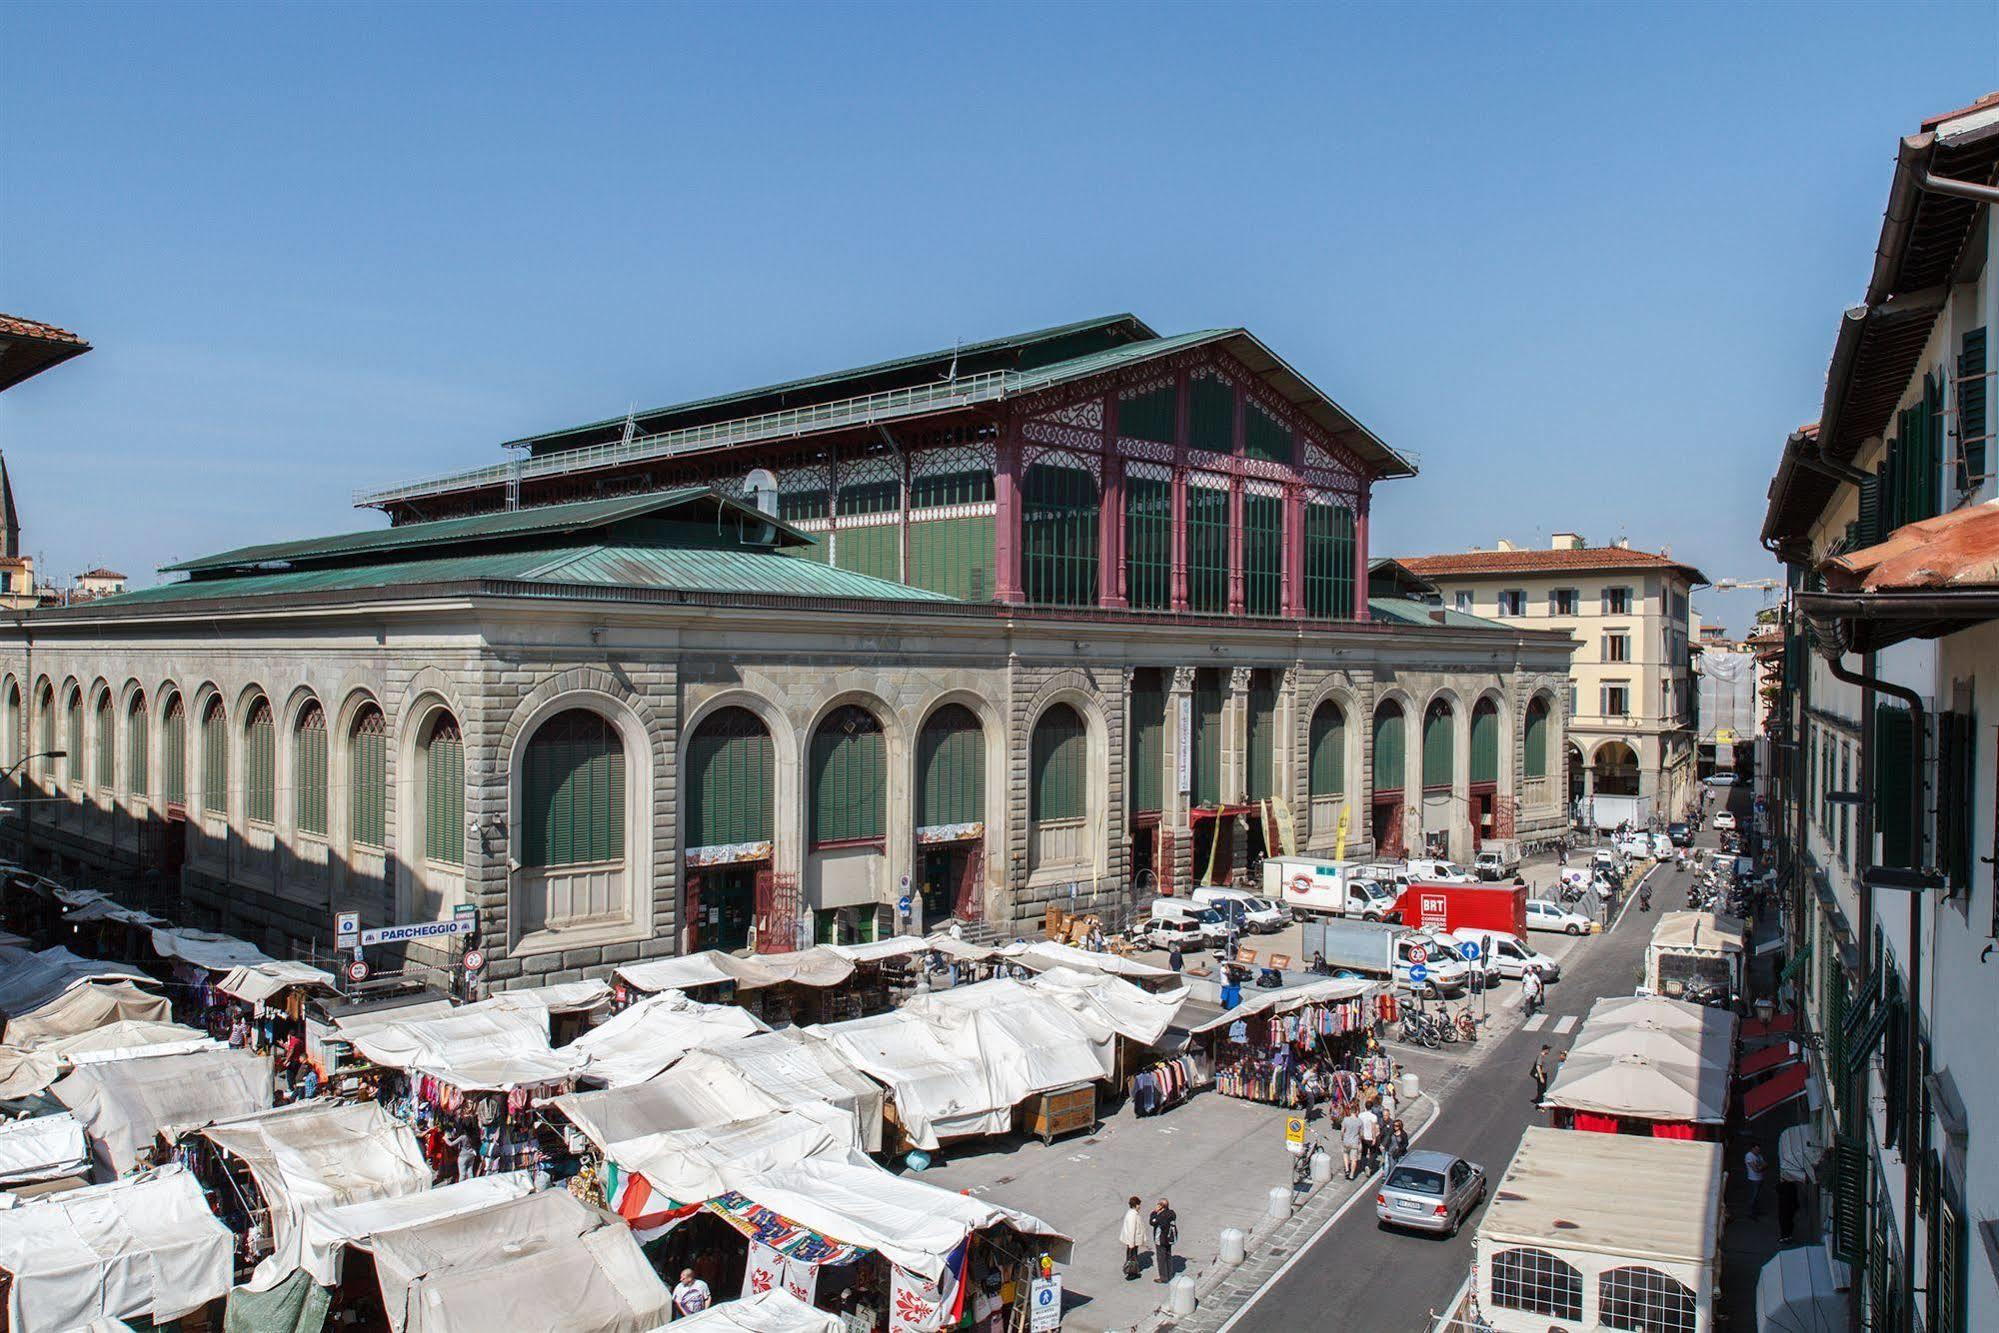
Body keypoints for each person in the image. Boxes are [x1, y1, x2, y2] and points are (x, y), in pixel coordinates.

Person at [1149, 1198, 1177, 1284]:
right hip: (1169, 1240)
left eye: (1158, 1204)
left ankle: (1164, 1277)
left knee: (1161, 1259)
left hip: (1161, 1240)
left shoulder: (1161, 1216)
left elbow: (1152, 1222)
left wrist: (1154, 1212)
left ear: (1161, 1206)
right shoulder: (1171, 1213)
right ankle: (1169, 1274)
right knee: (1168, 1256)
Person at [1120, 1195, 1146, 1280]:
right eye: (1139, 1204)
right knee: (1132, 1258)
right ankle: (1131, 1273)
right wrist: (1131, 1243)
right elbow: (1131, 1230)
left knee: (1132, 1257)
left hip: (1133, 1241)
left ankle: (1134, 1271)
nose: (1140, 1207)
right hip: (1132, 1241)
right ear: (1136, 1205)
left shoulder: (1132, 1213)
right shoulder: (1133, 1215)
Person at [1339, 1105, 1363, 1180]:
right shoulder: (1359, 1121)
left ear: (1350, 1111)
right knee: (1354, 1159)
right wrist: (1360, 1140)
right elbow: (1361, 1134)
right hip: (1354, 1142)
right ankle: (1352, 1175)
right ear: (1356, 1112)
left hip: (1346, 1140)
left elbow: (1342, 1131)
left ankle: (1347, 1169)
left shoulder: (1346, 1119)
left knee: (1345, 1154)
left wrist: (1342, 1138)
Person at [1744, 1143, 1767, 1215]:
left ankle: (1756, 1211)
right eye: (1756, 1149)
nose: (1758, 1151)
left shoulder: (1759, 1156)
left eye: (1758, 1149)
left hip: (1760, 1178)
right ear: (1752, 1149)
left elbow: (1765, 1164)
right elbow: (1755, 1169)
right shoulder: (1749, 1156)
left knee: (1757, 1196)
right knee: (1753, 1197)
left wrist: (1760, 1167)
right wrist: (1761, 1167)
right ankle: (1751, 1213)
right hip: (1753, 1179)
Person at [1357, 1101, 1380, 1173]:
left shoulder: (1360, 1115)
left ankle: (1362, 1166)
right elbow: (1373, 1128)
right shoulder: (1373, 1117)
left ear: (1365, 1106)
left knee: (1364, 1151)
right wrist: (1374, 1138)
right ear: (1372, 1107)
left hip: (1363, 1136)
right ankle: (1369, 1166)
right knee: (1373, 1152)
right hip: (1370, 1137)